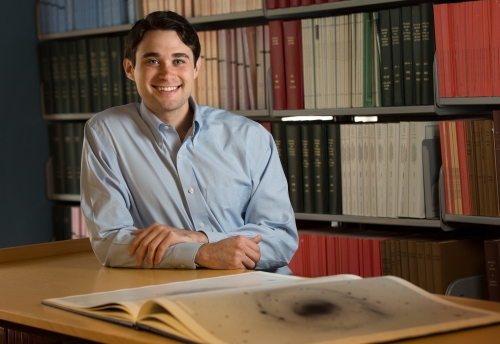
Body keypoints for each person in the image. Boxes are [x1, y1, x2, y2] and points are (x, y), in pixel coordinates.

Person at [80, 10, 298, 273]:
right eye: (152, 61)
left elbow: (281, 237)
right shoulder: (106, 133)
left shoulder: (251, 136)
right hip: (176, 294)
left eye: (179, 60)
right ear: (130, 68)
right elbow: (110, 240)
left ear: (196, 68)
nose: (167, 74)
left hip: (262, 287)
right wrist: (202, 254)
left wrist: (198, 239)